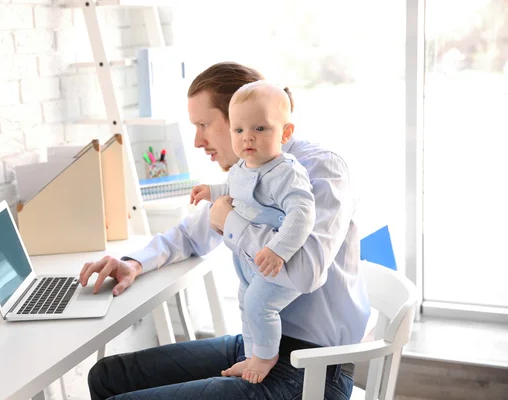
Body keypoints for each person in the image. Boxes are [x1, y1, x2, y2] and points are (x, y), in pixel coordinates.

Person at [80, 62, 371, 400]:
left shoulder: (319, 169)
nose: (197, 141)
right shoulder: (246, 173)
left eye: (204, 124)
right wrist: (133, 264)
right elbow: (192, 234)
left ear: (241, 112)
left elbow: (307, 272)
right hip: (259, 347)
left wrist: (231, 222)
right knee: (108, 375)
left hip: (311, 372)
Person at [190, 80, 316, 383]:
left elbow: (302, 214)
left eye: (260, 129)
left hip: (274, 262)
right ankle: (251, 356)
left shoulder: (286, 172)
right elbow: (234, 189)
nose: (248, 138)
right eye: (239, 130)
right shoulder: (244, 166)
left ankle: (265, 357)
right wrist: (212, 190)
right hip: (250, 261)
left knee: (261, 304)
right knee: (246, 301)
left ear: (285, 133)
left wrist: (278, 249)